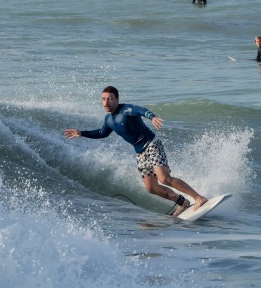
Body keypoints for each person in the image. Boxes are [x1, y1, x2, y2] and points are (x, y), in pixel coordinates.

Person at [64, 86, 208, 216]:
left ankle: (198, 197)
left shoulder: (125, 109)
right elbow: (102, 133)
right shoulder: (108, 119)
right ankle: (182, 203)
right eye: (103, 99)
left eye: (110, 99)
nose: (106, 102)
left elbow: (140, 110)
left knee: (164, 178)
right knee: (151, 187)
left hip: (152, 145)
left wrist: (152, 117)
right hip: (140, 153)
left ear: (117, 99)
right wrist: (81, 133)